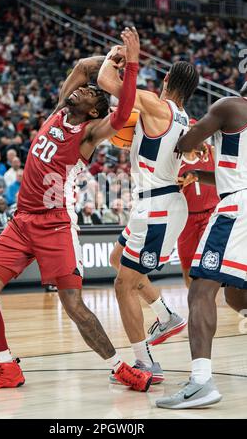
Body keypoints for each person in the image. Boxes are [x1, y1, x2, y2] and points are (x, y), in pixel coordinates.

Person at [0, 27, 153, 392]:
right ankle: (7, 367)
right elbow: (83, 66)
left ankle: (120, 367)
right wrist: (112, 57)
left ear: (92, 111)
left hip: (55, 225)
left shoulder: (87, 135)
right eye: (83, 88)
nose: (80, 89)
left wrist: (130, 67)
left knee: (73, 305)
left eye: (87, 93)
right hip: (22, 221)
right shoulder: (59, 110)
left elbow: (120, 117)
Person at [98, 33, 199, 381]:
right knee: (117, 261)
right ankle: (165, 314)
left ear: (168, 81)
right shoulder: (186, 117)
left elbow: (104, 81)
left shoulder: (157, 106)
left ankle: (144, 362)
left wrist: (116, 57)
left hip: (156, 208)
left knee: (123, 284)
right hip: (159, 203)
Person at [156, 83, 247, 409]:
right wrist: (198, 172)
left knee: (200, 290)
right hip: (241, 199)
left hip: (236, 208)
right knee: (238, 294)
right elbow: (233, 172)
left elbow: (185, 141)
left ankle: (200, 382)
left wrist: (167, 124)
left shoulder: (229, 106)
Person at [177, 120, 219, 287]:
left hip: (210, 213)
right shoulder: (175, 160)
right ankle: (193, 303)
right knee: (187, 266)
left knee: (208, 263)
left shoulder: (212, 151)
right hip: (185, 218)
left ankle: (209, 301)